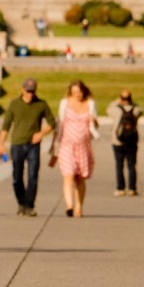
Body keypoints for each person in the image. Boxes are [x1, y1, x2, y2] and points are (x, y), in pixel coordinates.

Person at [0, 77, 55, 217]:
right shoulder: (14, 104)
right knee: (17, 177)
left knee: (32, 176)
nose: (30, 94)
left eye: (33, 91)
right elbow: (6, 126)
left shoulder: (41, 104)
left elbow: (52, 123)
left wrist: (41, 134)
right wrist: (1, 145)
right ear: (22, 89)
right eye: (28, 91)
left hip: (33, 146)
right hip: (17, 144)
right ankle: (21, 202)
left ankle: (29, 206)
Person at [48, 80, 99, 217]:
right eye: (74, 92)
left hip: (83, 146)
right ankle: (69, 206)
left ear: (84, 91)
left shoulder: (90, 103)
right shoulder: (65, 103)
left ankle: (79, 207)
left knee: (80, 178)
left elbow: (94, 125)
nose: (77, 95)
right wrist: (55, 144)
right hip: (66, 145)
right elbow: (60, 123)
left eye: (79, 92)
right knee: (68, 174)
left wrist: (94, 121)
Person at [110, 90, 141, 196]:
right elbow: (141, 110)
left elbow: (108, 110)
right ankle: (132, 188)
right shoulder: (135, 109)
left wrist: (117, 101)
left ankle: (120, 188)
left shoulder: (115, 109)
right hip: (132, 141)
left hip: (117, 140)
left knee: (119, 166)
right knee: (131, 165)